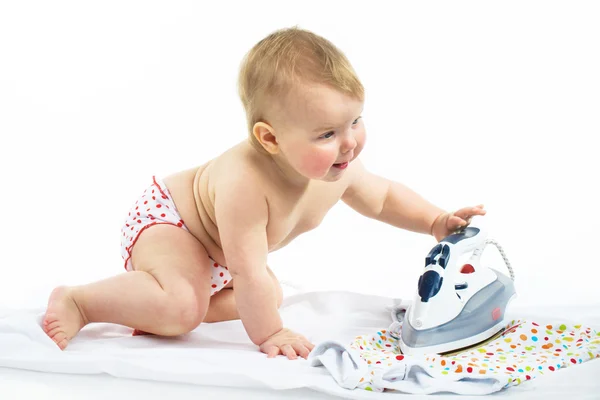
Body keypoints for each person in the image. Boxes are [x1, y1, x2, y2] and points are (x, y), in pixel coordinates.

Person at [42, 26, 486, 360]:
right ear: (270, 139)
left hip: (221, 257)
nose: (349, 142)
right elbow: (248, 270)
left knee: (269, 295)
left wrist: (433, 221)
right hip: (172, 224)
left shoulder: (339, 167)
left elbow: (384, 197)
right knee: (185, 308)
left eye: (355, 121)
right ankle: (81, 300)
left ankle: (149, 304)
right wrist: (270, 334)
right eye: (327, 133)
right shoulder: (245, 185)